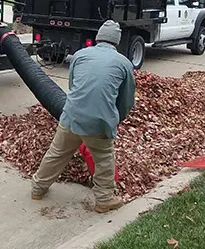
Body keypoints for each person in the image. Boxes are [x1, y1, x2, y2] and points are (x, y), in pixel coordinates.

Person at [30, 20, 136, 213]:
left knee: (57, 153)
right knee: (103, 158)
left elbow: (74, 87)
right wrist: (115, 119)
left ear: (98, 38)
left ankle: (38, 188)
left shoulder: (80, 56)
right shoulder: (124, 64)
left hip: (71, 116)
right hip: (98, 122)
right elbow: (126, 101)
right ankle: (104, 200)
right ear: (116, 42)